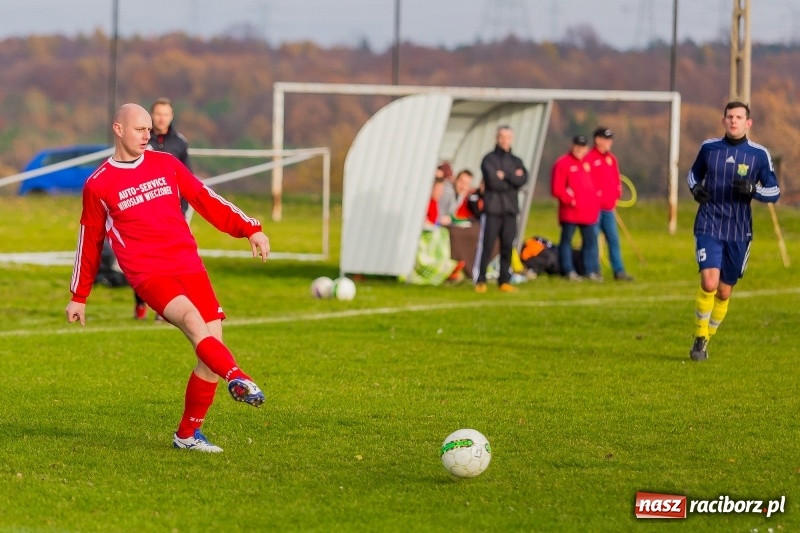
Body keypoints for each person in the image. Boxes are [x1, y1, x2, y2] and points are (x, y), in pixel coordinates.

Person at [65, 103, 270, 452]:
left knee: (212, 352)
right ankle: (238, 377)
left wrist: (249, 228)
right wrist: (79, 295)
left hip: (189, 265)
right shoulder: (98, 184)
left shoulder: (166, 163)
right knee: (192, 321)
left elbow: (205, 199)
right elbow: (90, 241)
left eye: (149, 129)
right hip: (149, 274)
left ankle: (187, 436)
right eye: (139, 129)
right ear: (118, 129)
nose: (147, 135)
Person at [687, 101, 780, 361]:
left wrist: (753, 190)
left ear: (748, 123)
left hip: (739, 231)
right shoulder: (709, 148)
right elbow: (693, 175)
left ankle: (708, 335)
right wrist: (696, 189)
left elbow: (774, 191)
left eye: (739, 117)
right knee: (709, 282)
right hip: (709, 223)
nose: (733, 121)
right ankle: (699, 338)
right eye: (729, 116)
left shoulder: (758, 154)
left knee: (724, 291)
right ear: (723, 121)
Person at [133, 97, 194, 320]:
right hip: (144, 212)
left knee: (168, 262)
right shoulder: (140, 139)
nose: (162, 119)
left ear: (171, 116)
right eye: (158, 114)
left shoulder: (179, 143)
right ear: (151, 115)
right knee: (143, 262)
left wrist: (183, 210)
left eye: (166, 114)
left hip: (171, 213)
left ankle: (164, 308)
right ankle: (140, 302)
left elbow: (187, 179)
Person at [474, 125, 529, 293]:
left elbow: (523, 179)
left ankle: (504, 280)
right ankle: (480, 280)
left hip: (510, 210)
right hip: (493, 210)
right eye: (502, 137)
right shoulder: (489, 159)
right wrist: (511, 179)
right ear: (497, 138)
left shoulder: (516, 160)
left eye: (508, 137)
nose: (505, 141)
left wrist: (505, 176)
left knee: (507, 246)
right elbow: (492, 182)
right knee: (487, 246)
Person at [550, 135, 601, 282]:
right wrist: (571, 200)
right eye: (577, 146)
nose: (579, 149)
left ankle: (589, 270)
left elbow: (595, 185)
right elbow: (557, 189)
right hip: (570, 212)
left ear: (586, 148)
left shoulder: (589, 163)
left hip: (588, 212)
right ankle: (568, 270)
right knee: (566, 241)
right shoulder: (562, 163)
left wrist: (596, 201)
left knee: (590, 242)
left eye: (582, 146)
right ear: (572, 146)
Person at [586, 127, 633, 281]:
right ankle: (594, 270)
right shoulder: (589, 158)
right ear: (598, 140)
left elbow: (615, 179)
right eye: (607, 139)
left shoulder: (611, 159)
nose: (609, 142)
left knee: (613, 239)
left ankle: (618, 271)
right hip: (593, 208)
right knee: (593, 240)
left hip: (608, 208)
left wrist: (616, 194)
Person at [404, 177, 464, 285]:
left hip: (431, 231)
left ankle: (446, 267)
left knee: (443, 234)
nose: (441, 193)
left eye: (441, 190)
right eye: (438, 190)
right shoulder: (425, 203)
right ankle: (437, 267)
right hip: (422, 235)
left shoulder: (434, 203)